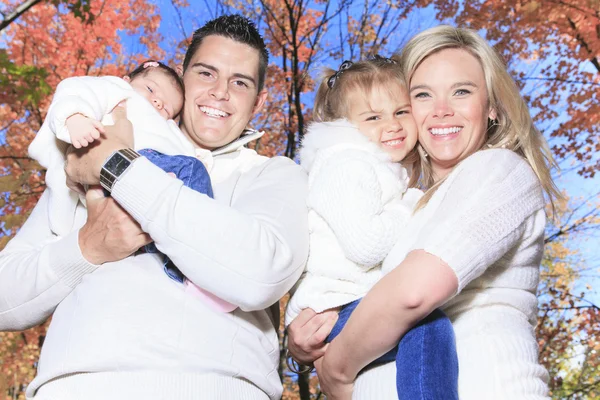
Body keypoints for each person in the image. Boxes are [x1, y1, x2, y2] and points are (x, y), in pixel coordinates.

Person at [0, 14, 309, 400]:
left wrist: (117, 167)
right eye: (206, 73)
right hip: (78, 386)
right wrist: (87, 248)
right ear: (183, 76)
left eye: (240, 82)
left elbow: (262, 273)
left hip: (219, 388)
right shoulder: (92, 145)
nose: (220, 93)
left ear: (259, 100)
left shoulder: (274, 175)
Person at [287, 25, 560, 399]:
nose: (442, 110)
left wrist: (335, 370)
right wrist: (304, 342)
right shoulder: (406, 198)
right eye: (423, 95)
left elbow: (412, 294)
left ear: (492, 105)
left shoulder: (497, 169)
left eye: (461, 91)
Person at [284, 56, 458, 399]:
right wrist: (412, 204)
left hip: (352, 299)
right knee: (426, 328)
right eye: (373, 117)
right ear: (346, 125)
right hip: (334, 306)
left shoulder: (374, 166)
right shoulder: (347, 163)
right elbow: (366, 245)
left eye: (401, 111)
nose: (391, 125)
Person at [27, 60, 234, 311]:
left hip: (149, 177)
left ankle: (183, 272)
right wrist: (74, 117)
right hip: (129, 161)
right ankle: (197, 271)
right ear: (126, 80)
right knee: (192, 171)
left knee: (159, 230)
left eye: (167, 107)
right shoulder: (117, 93)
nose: (157, 102)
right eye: (150, 89)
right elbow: (76, 89)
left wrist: (195, 155)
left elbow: (177, 147)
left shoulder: (164, 126)